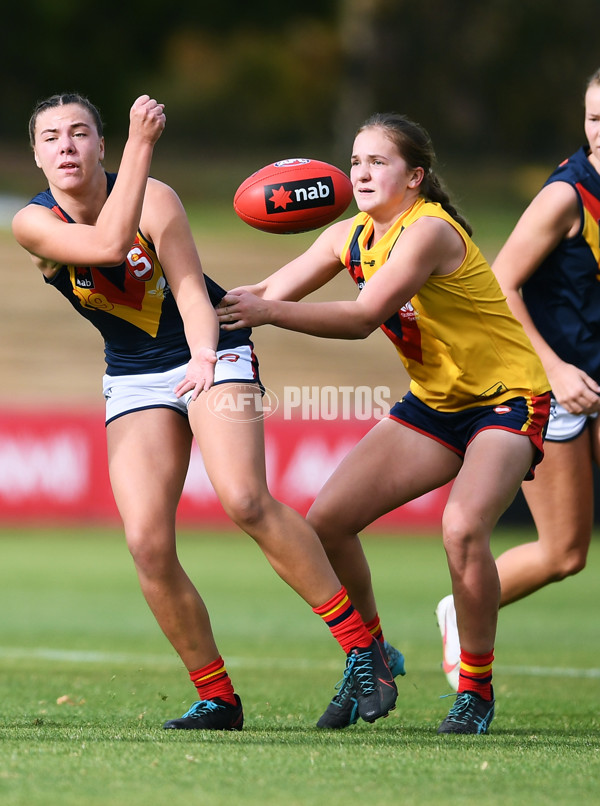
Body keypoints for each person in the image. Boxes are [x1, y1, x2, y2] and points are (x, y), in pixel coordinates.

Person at [12, 92, 404, 732]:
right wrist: (143, 141)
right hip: (134, 373)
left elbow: (192, 290)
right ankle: (218, 698)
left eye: (80, 133)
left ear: (101, 146)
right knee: (145, 543)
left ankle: (366, 652)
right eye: (51, 137)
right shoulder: (33, 223)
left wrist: (202, 359)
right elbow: (109, 245)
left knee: (246, 500)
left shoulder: (157, 197)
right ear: (36, 155)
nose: (66, 147)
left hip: (211, 345)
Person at [217, 112, 551, 735]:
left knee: (462, 529)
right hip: (436, 404)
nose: (362, 172)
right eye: (354, 162)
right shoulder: (352, 235)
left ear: (415, 177)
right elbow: (266, 290)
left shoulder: (427, 231)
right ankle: (374, 657)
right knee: (327, 522)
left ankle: (475, 691)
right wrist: (193, 300)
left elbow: (364, 315)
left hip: (509, 398)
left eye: (378, 162)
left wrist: (268, 311)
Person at [435, 67, 600, 691]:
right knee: (564, 553)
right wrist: (556, 372)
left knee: (572, 555)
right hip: (549, 384)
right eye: (592, 117)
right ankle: (462, 608)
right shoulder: (565, 196)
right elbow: (498, 286)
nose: (599, 131)